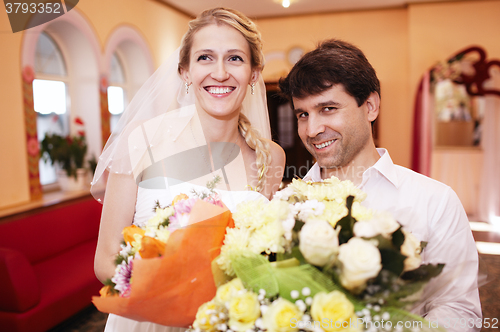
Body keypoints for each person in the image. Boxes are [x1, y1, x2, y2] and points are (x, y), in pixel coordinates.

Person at [92, 7, 285, 332]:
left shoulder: (271, 157)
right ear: (184, 71)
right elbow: (106, 258)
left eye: (235, 58)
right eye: (205, 58)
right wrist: (171, 297)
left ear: (254, 73)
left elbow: (268, 256)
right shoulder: (140, 139)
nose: (220, 72)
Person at [279, 39, 481, 331]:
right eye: (303, 115)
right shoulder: (286, 204)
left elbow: (459, 308)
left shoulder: (435, 201)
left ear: (370, 106)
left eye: (328, 108)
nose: (312, 130)